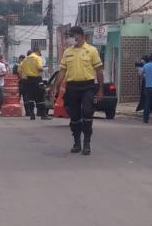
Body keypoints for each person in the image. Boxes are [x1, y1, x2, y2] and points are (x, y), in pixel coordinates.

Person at [48, 26, 104, 155]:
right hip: (72, 87)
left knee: (87, 111)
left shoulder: (92, 50)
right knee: (74, 116)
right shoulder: (68, 52)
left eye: (73, 36)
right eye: (70, 36)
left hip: (88, 86)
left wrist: (101, 90)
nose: (71, 39)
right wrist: (54, 86)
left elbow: (99, 70)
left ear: (80, 35)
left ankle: (87, 143)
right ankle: (77, 142)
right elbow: (62, 71)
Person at [17, 48, 46, 120]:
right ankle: (43, 115)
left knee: (30, 98)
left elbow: (20, 70)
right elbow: (40, 68)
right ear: (37, 51)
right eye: (40, 52)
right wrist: (42, 69)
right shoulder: (37, 58)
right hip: (37, 79)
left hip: (28, 80)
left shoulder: (25, 60)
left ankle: (32, 115)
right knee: (40, 97)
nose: (40, 54)